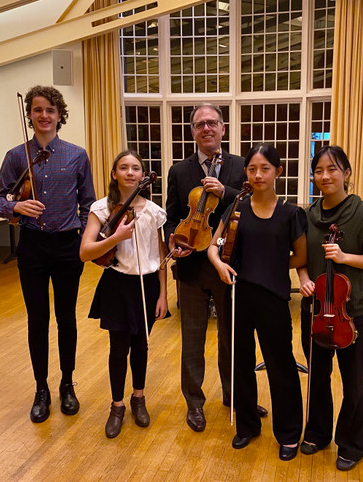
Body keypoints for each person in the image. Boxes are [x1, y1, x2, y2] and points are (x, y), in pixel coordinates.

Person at [0, 85, 95, 423]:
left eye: (50, 109)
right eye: (37, 110)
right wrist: (15, 205)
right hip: (32, 246)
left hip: (67, 246)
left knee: (66, 318)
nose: (44, 115)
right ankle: (41, 389)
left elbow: (89, 202)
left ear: (59, 114)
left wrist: (80, 235)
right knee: (37, 320)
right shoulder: (16, 155)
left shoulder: (77, 154)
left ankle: (67, 383)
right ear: (30, 115)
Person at [164, 104, 267, 432]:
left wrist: (227, 192)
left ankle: (234, 395)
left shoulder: (241, 166)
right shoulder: (179, 171)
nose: (206, 128)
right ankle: (194, 403)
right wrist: (172, 240)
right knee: (192, 338)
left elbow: (256, 204)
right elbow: (170, 215)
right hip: (192, 267)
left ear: (223, 128)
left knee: (232, 337)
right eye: (199, 124)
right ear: (192, 132)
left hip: (229, 265)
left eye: (212, 123)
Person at [297, 145, 363, 471]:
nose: (325, 176)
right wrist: (305, 277)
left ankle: (351, 443)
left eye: (332, 169)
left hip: (351, 313)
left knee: (354, 380)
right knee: (318, 377)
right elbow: (301, 258)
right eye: (319, 170)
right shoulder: (309, 216)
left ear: (347, 174)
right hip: (314, 310)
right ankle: (318, 432)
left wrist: (345, 258)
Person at [208, 144, 306, 461]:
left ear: (278, 172)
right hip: (238, 296)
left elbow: (301, 256)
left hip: (274, 298)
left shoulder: (292, 213)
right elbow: (213, 247)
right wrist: (220, 265)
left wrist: (272, 263)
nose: (258, 174)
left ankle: (289, 433)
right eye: (252, 168)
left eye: (265, 168)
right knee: (239, 363)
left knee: (281, 367)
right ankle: (247, 425)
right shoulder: (236, 205)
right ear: (246, 173)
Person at [80, 150, 168, 438]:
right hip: (117, 284)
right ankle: (117, 405)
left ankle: (138, 397)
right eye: (124, 167)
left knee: (141, 346)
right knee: (118, 349)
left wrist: (163, 295)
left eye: (136, 168)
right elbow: (85, 252)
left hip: (148, 284)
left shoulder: (154, 211)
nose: (130, 173)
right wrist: (117, 237)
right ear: (114, 173)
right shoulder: (102, 208)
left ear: (143, 175)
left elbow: (160, 254)